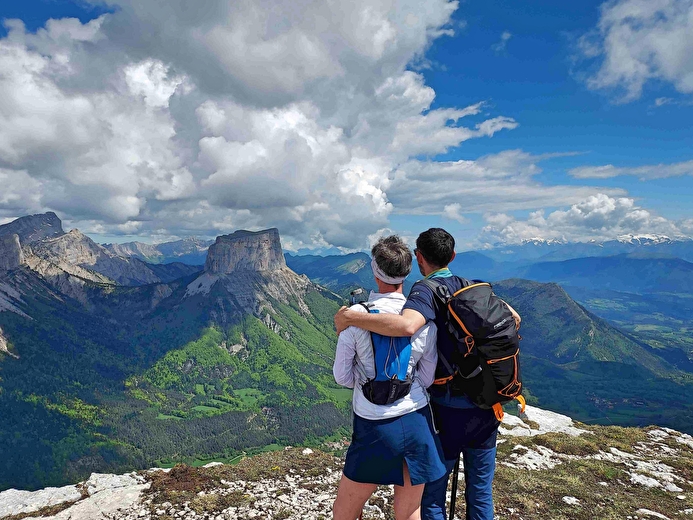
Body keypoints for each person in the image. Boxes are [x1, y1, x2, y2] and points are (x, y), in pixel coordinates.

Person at [335, 228, 520, 520]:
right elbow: (513, 318)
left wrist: (352, 317)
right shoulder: (471, 287)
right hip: (485, 404)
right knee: (479, 491)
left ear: (419, 259)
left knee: (432, 498)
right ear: (453, 256)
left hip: (447, 409)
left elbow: (407, 327)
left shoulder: (423, 292)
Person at [332, 235, 446, 520]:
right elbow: (428, 378)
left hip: (373, 426)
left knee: (345, 511)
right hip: (416, 421)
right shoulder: (422, 318)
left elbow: (342, 378)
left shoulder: (355, 317)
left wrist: (365, 375)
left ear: (374, 270)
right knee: (410, 512)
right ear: (407, 273)